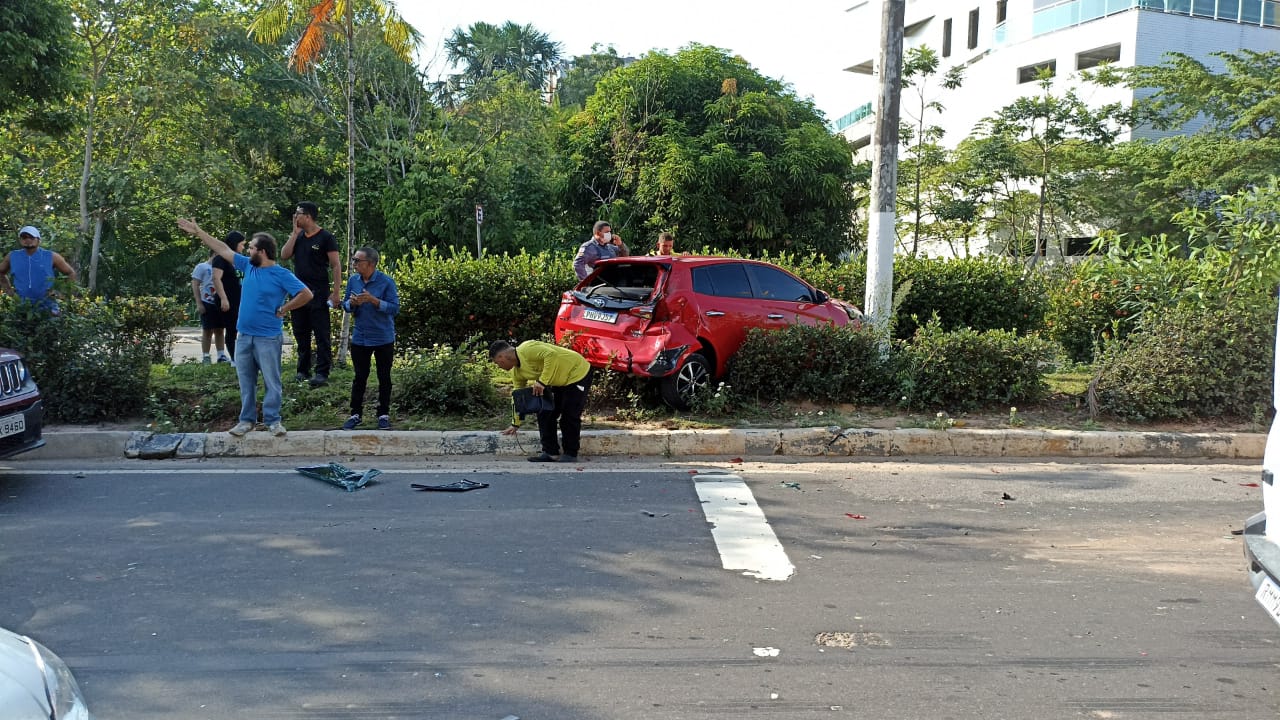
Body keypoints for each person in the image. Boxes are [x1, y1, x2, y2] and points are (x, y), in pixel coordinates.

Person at [177, 218, 313, 437]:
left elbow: (306, 294)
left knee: (272, 381)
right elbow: (222, 249)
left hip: (268, 337)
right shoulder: (248, 265)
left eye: (251, 248)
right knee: (246, 382)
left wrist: (285, 308)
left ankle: (273, 421)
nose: (248, 250)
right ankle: (246, 421)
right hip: (244, 336)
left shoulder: (281, 274)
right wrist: (199, 231)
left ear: (262, 251)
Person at [490, 339, 594, 463]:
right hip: (558, 380)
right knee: (545, 412)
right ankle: (550, 452)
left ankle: (570, 453)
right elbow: (517, 397)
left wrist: (542, 382)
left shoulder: (526, 348)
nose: (499, 367)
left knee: (569, 415)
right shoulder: (517, 372)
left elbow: (551, 355)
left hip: (577, 372)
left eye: (497, 363)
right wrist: (515, 423)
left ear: (501, 357)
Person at [281, 201, 341, 387]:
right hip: (298, 292)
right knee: (301, 332)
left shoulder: (326, 237)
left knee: (321, 333)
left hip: (318, 293)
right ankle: (303, 370)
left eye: (297, 214)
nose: (295, 217)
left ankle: (322, 372)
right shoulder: (298, 236)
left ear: (308, 216)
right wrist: (294, 234)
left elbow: (335, 265)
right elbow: (284, 255)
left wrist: (336, 292)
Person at [340, 247, 400, 431]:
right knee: (359, 377)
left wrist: (373, 300)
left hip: (383, 337)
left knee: (384, 377)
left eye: (358, 261)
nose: (354, 264)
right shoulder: (353, 280)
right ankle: (355, 414)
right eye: (354, 260)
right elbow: (345, 305)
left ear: (371, 264)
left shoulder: (386, 282)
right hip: (361, 337)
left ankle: (383, 414)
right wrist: (352, 303)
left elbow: (394, 308)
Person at [0, 225, 78, 313]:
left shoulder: (51, 256)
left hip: (48, 308)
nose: (28, 240)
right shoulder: (12, 256)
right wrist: (8, 290)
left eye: (31, 237)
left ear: (38, 240)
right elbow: (1, 272)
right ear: (20, 240)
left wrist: (63, 293)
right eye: (24, 237)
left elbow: (71, 273)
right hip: (21, 307)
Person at [212, 231, 246, 362]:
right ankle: (234, 359)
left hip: (240, 299)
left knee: (241, 328)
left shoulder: (239, 259)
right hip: (227, 299)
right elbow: (216, 278)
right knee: (232, 328)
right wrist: (223, 298)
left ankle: (242, 357)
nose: (243, 247)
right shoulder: (220, 259)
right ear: (235, 243)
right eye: (242, 244)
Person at [190, 251, 229, 364]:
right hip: (206, 302)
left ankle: (221, 355)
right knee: (207, 330)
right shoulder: (202, 267)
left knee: (220, 329)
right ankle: (206, 356)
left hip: (220, 302)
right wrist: (199, 303)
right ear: (214, 254)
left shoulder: (223, 268)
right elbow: (195, 284)